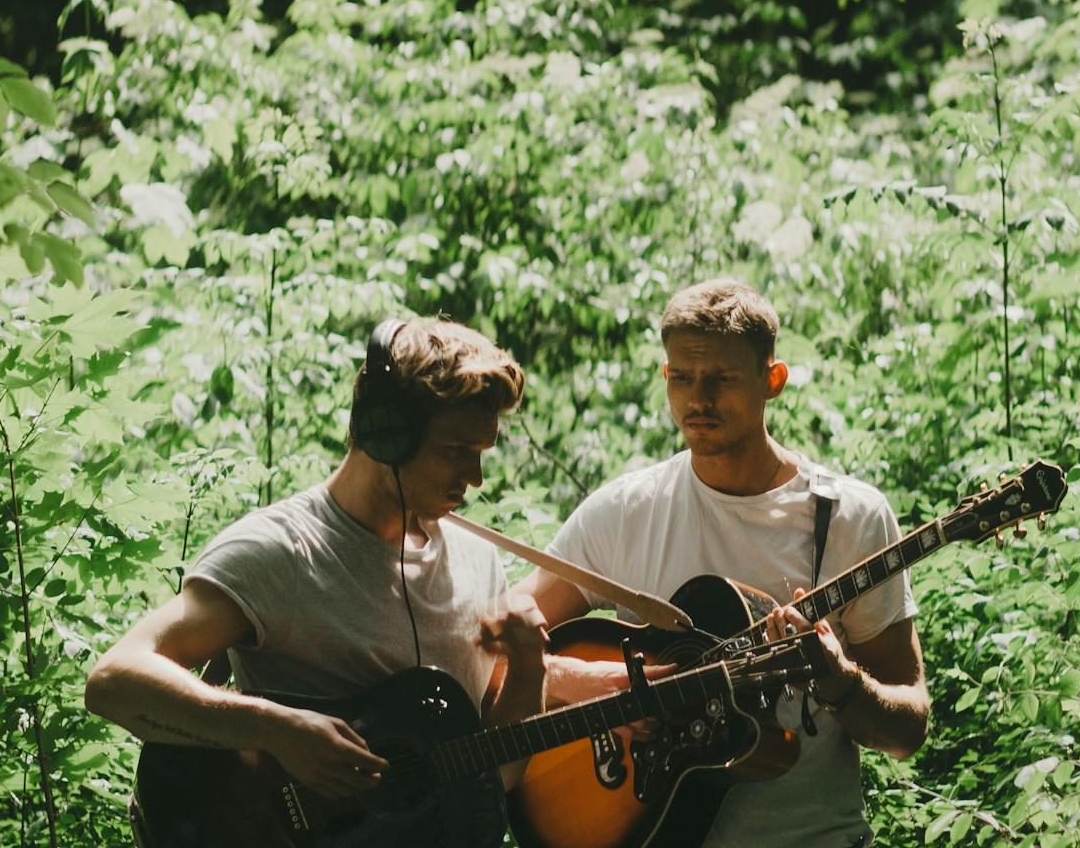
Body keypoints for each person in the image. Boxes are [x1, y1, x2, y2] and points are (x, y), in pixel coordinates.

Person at [520, 279, 930, 848]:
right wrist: (587, 681)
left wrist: (842, 682)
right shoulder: (624, 512)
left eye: (722, 379)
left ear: (773, 380)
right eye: (682, 378)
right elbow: (500, 636)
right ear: (665, 377)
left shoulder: (849, 519)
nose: (699, 399)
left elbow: (908, 728)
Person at [85, 317, 548, 806]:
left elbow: (490, 778)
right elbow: (115, 681)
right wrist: (275, 730)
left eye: (481, 452)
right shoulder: (279, 552)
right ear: (386, 433)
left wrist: (529, 667)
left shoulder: (479, 562)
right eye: (455, 450)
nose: (474, 477)